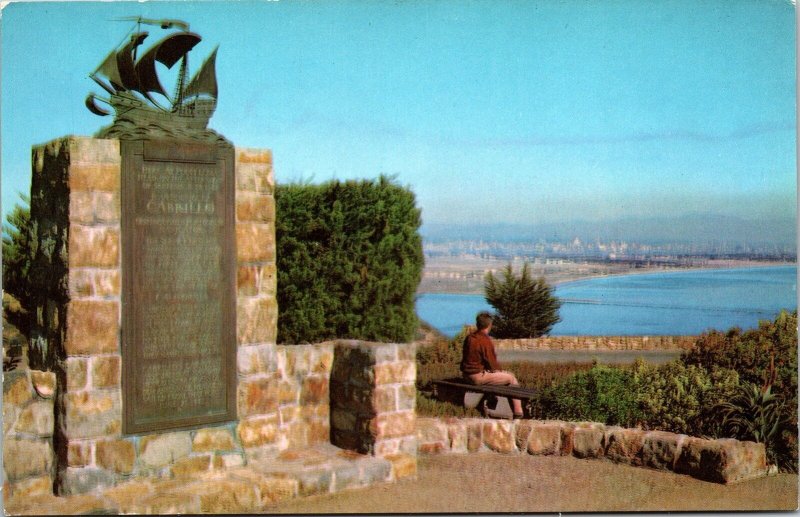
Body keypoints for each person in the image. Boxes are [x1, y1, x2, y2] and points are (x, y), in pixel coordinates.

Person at [460, 311, 524, 418]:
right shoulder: (485, 341)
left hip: (466, 375)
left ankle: (494, 403)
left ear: (477, 324)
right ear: (490, 325)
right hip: (477, 377)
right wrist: (501, 372)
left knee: (503, 376)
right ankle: (519, 412)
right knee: (511, 378)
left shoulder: (470, 338)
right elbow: (492, 364)